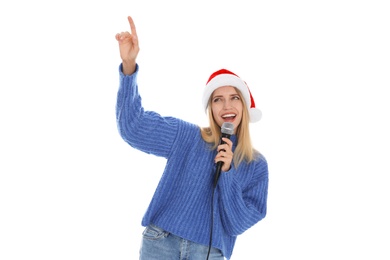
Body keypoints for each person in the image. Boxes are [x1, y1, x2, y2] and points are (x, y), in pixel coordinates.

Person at [115, 16, 269, 260]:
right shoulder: (188, 137)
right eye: (217, 99)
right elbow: (132, 128)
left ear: (245, 107)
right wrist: (128, 67)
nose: (226, 105)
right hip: (161, 243)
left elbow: (238, 224)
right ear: (211, 108)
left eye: (234, 97)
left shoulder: (256, 166)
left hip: (209, 252)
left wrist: (227, 172)